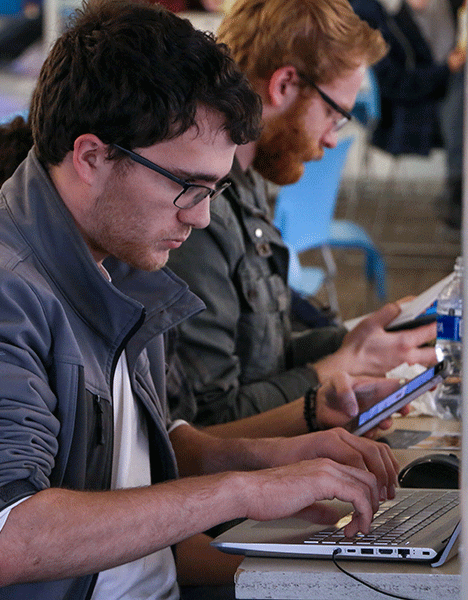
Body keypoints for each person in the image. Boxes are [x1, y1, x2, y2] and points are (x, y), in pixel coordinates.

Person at [0, 1, 402, 599]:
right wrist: (244, 492)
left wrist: (289, 456)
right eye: (187, 187)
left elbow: (140, 456)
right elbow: (3, 537)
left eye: (215, 189)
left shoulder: (119, 260)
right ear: (93, 156)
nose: (201, 218)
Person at [165, 0, 438, 435]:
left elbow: (263, 356)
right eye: (334, 114)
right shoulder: (199, 214)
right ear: (285, 84)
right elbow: (205, 427)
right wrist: (340, 367)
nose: (332, 139)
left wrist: (353, 341)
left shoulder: (247, 182)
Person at [349, 0, 466, 228]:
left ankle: (458, 188)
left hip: (430, 102)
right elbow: (397, 85)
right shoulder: (369, 14)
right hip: (401, 115)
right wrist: (446, 70)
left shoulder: (398, 11)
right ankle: (458, 188)